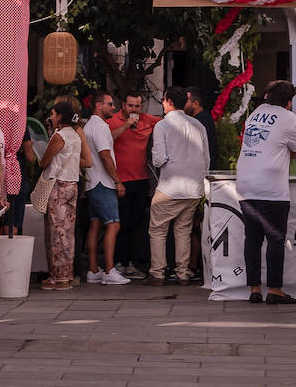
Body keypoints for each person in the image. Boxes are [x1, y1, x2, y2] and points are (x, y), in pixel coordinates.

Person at [234, 80, 296, 305]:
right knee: (275, 239)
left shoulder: (255, 113)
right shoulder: (289, 118)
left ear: (267, 96)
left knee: (252, 239)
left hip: (246, 185)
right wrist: (282, 155)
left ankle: (255, 289)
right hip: (271, 188)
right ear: (288, 102)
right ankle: (275, 290)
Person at [146, 85, 209, 287]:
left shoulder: (162, 126)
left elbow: (158, 159)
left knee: (157, 230)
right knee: (183, 230)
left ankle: (157, 272)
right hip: (193, 188)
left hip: (170, 186)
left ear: (169, 101)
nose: (162, 104)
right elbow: (206, 158)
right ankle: (183, 272)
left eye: (163, 100)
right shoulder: (199, 125)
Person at [38, 96, 92, 290]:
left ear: (60, 116)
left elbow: (44, 162)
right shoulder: (76, 135)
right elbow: (85, 161)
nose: (51, 117)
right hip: (72, 185)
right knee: (67, 232)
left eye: (53, 114)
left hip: (58, 187)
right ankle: (66, 275)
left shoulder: (59, 137)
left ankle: (57, 277)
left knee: (55, 231)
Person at [108, 90, 159, 279]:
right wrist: (126, 126)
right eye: (130, 106)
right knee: (121, 222)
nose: (134, 109)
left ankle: (132, 262)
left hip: (141, 180)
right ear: (123, 105)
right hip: (120, 181)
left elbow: (168, 123)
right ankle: (120, 263)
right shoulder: (112, 121)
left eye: (137, 106)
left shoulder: (147, 120)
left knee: (136, 223)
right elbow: (106, 140)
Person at [83, 93, 128, 286]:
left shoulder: (91, 125)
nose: (113, 107)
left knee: (96, 225)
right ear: (98, 105)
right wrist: (117, 181)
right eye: (110, 104)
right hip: (102, 182)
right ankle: (109, 270)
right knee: (113, 224)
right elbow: (105, 156)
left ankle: (93, 269)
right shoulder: (99, 126)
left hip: (92, 182)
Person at [185, 89, 219, 161]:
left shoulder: (202, 121)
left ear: (195, 103)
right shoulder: (202, 119)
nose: (183, 104)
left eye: (186, 101)